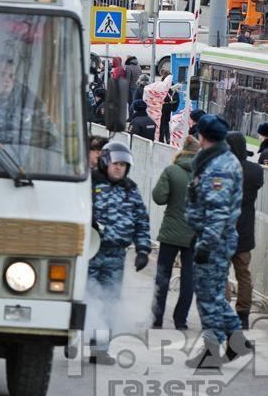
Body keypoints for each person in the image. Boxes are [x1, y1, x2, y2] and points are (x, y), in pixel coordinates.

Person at [185, 115, 247, 368]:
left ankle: (211, 353)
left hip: (215, 240)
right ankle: (237, 342)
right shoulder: (220, 160)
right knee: (213, 295)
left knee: (208, 297)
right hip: (214, 237)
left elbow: (218, 212)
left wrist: (205, 245)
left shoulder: (219, 166)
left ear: (203, 136)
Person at [87, 141, 151, 364]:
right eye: (116, 163)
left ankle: (100, 348)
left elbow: (141, 220)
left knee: (109, 300)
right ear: (105, 162)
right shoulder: (90, 183)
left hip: (116, 255)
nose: (119, 168)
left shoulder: (130, 189)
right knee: (84, 297)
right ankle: (74, 340)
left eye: (123, 165)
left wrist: (143, 249)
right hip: (90, 251)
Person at [150, 136, 199, 330]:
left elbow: (159, 197)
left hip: (170, 232)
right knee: (188, 280)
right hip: (193, 235)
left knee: (162, 276)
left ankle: (157, 318)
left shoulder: (171, 171)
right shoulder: (202, 175)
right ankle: (181, 320)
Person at [225, 131, 262, 330]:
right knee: (243, 275)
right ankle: (243, 314)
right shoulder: (255, 171)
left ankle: (223, 309)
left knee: (221, 274)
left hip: (224, 230)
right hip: (245, 230)